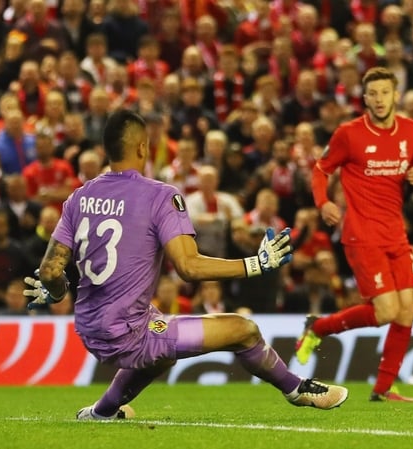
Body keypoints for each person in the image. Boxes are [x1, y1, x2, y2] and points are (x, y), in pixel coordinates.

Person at [23, 110, 348, 421]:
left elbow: (50, 271)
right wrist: (255, 263)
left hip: (89, 326)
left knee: (160, 347)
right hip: (127, 331)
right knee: (243, 330)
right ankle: (296, 389)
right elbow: (189, 267)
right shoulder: (159, 195)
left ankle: (102, 412)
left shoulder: (79, 197)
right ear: (142, 147)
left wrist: (57, 292)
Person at [294, 66, 413, 402]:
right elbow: (321, 169)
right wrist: (323, 202)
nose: (379, 99)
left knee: (408, 309)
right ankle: (317, 328)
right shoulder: (349, 134)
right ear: (364, 98)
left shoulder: (411, 129)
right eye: (373, 94)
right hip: (362, 234)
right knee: (386, 311)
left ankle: (383, 389)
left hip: (396, 233)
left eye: (385, 92)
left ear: (396, 95)